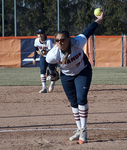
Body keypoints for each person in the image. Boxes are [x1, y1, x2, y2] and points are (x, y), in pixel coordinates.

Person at [46, 11, 104, 144]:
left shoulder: (77, 42)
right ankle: (79, 129)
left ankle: (83, 130)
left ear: (68, 40)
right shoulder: (53, 54)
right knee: (73, 102)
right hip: (67, 76)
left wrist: (99, 20)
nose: (59, 43)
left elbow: (89, 31)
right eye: (57, 41)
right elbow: (51, 64)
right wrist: (53, 73)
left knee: (81, 98)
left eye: (62, 40)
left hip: (83, 71)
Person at [32, 29, 56, 93]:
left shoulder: (48, 41)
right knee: (42, 70)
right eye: (38, 34)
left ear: (44, 34)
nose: (40, 35)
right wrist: (34, 58)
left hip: (50, 58)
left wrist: (45, 52)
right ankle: (44, 87)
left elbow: (51, 52)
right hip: (43, 57)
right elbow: (35, 49)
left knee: (52, 72)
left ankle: (52, 83)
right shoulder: (36, 40)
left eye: (41, 34)